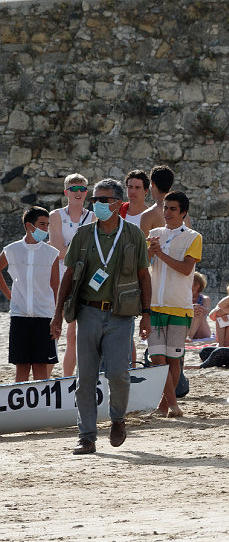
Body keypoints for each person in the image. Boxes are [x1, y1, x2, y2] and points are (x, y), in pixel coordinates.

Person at [50, 178, 151, 455]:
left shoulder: (133, 235)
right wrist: (58, 315)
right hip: (88, 312)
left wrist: (146, 314)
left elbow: (144, 276)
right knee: (85, 378)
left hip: (120, 315)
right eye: (95, 200)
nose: (97, 205)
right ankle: (87, 436)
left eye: (103, 200)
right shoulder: (83, 235)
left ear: (118, 203)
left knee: (118, 374)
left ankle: (117, 419)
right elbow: (68, 276)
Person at [146, 191, 202, 418]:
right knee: (156, 358)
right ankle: (172, 405)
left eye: (172, 209)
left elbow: (187, 268)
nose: (167, 213)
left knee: (173, 359)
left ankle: (165, 405)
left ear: (183, 213)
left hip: (179, 305)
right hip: (155, 305)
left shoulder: (193, 237)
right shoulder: (154, 234)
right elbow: (144, 264)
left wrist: (160, 254)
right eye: (165, 208)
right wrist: (150, 253)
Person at [0, 207, 60, 381]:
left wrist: (57, 318)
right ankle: (21, 408)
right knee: (22, 366)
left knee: (41, 366)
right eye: (42, 224)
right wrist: (10, 295)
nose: (45, 229)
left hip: (45, 317)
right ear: (29, 225)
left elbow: (55, 287)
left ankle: (41, 407)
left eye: (47, 225)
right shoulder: (12, 249)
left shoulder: (51, 253)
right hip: (20, 316)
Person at [48, 173, 95, 377]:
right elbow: (58, 252)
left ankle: (68, 379)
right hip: (59, 277)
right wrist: (78, 246)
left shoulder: (93, 217)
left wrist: (70, 248)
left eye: (82, 189)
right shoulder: (56, 216)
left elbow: (90, 252)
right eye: (74, 189)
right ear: (66, 192)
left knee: (73, 334)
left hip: (82, 278)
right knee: (54, 331)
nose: (78, 193)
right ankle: (46, 378)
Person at [139, 165, 192, 234]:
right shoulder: (184, 214)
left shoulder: (147, 216)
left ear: (152, 183)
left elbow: (144, 244)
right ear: (171, 185)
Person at [186, 272, 212, 341]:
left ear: (197, 285)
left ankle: (190, 336)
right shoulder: (184, 298)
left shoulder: (205, 298)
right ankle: (188, 335)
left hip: (201, 330)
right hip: (186, 327)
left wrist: (199, 308)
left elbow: (207, 311)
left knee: (199, 312)